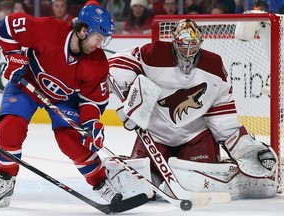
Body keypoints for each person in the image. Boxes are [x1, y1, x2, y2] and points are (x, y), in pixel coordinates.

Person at [108, 19, 278, 199]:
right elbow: (118, 63)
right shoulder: (154, 53)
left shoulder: (213, 65)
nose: (188, 51)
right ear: (174, 42)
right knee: (136, 186)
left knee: (196, 183)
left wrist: (243, 148)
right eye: (183, 45)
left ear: (200, 43)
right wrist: (130, 97)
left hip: (195, 136)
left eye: (193, 45)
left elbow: (222, 112)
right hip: (155, 135)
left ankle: (238, 179)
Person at [0, 4, 123, 208]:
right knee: (11, 127)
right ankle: (5, 180)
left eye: (103, 40)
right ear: (83, 30)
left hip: (63, 97)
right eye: (98, 38)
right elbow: (9, 25)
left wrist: (91, 123)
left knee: (72, 139)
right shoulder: (49, 31)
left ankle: (101, 183)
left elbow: (92, 100)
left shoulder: (97, 62)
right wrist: (13, 56)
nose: (99, 45)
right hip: (27, 82)